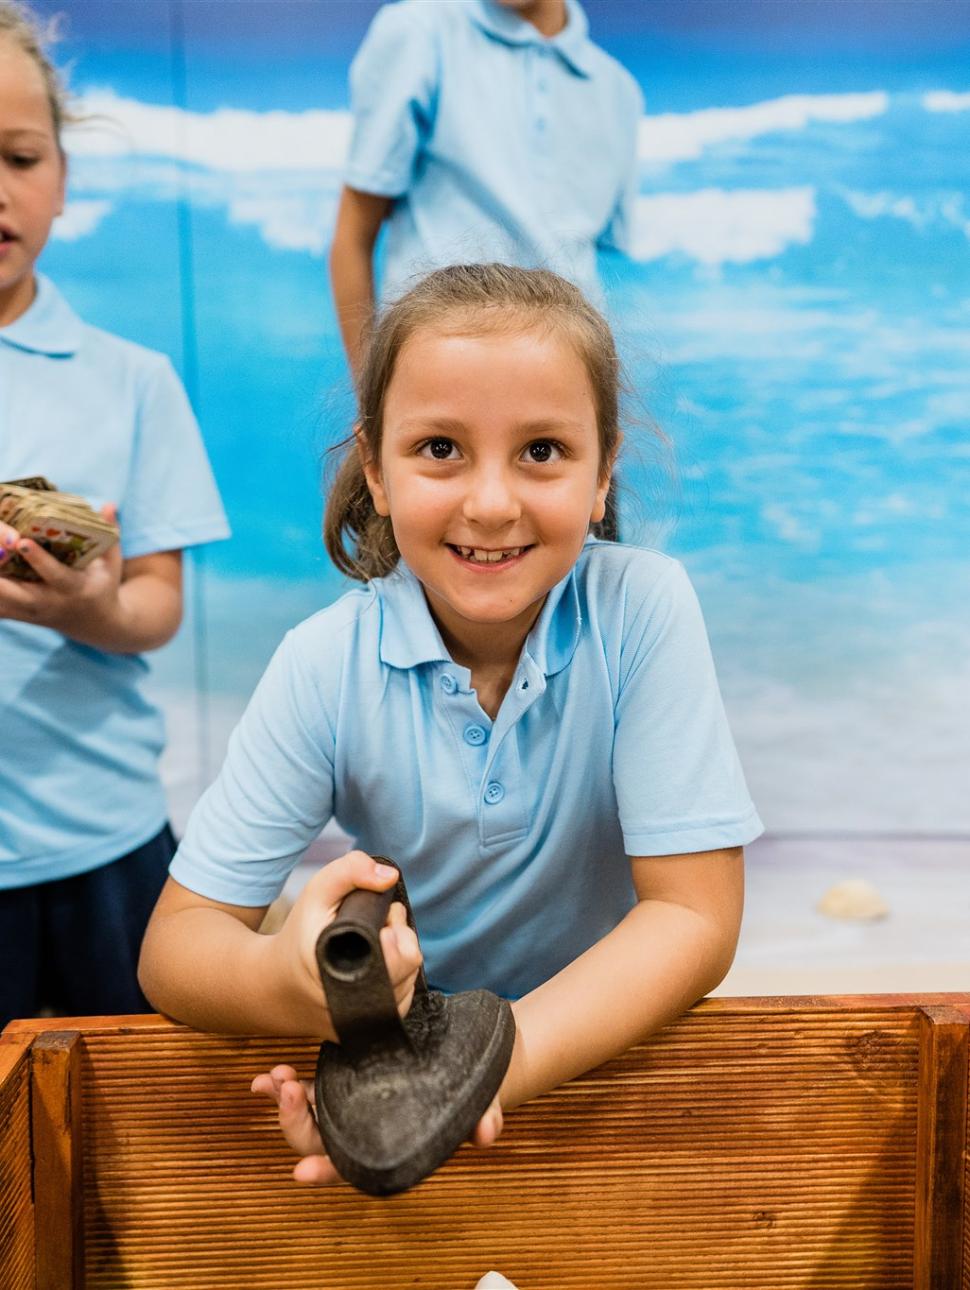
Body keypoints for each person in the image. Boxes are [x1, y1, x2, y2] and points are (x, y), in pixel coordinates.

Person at [139, 262, 762, 1183]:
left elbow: (694, 918)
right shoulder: (323, 664)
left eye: (542, 451)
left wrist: (482, 1074)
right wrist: (285, 985)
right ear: (377, 470)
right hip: (407, 1074)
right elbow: (174, 948)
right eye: (440, 448)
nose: (492, 502)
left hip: (601, 1062)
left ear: (603, 474)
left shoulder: (642, 609)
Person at [0, 0, 229, 1029]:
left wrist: (84, 606)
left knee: (130, 1156)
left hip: (104, 839)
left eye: (19, 155)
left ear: (62, 176)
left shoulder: (134, 382)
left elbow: (156, 607)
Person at [330, 0, 643, 379]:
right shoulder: (419, 31)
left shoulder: (618, 91)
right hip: (439, 369)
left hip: (566, 378)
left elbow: (584, 259)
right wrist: (374, 401)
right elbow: (353, 235)